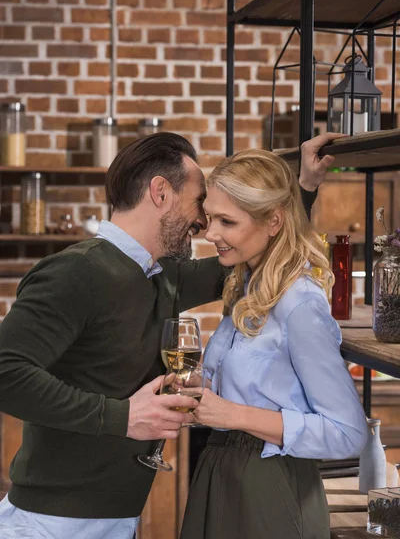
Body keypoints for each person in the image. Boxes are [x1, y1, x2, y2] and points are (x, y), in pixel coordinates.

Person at [0, 132, 338, 539]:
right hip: (53, 525)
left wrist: (302, 189)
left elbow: (253, 247)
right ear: (160, 192)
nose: (204, 221)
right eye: (199, 202)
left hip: (113, 518)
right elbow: (6, 372)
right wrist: (125, 417)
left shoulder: (159, 276)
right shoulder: (76, 272)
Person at [180, 148, 369, 539]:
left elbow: (348, 433)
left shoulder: (300, 305)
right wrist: (206, 392)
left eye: (226, 221)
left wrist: (232, 414)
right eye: (211, 217)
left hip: (271, 489)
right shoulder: (246, 288)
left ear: (273, 221)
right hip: (220, 474)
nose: (210, 233)